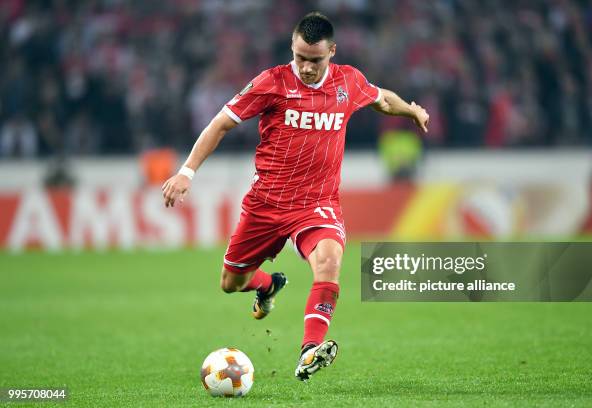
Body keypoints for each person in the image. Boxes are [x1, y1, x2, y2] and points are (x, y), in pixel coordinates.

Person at [162, 12, 429, 381]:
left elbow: (382, 100)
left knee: (330, 260)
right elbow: (220, 123)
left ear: (331, 52)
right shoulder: (271, 82)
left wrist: (410, 110)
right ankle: (268, 284)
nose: (305, 66)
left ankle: (309, 350)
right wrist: (186, 171)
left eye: (315, 60)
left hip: (317, 204)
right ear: (292, 47)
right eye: (300, 57)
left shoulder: (348, 81)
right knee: (232, 283)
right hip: (266, 204)